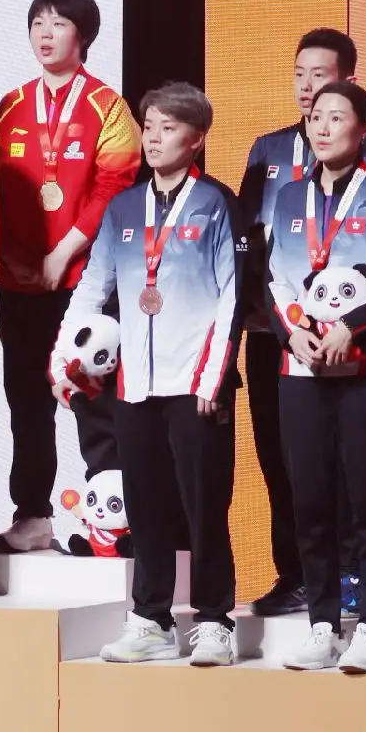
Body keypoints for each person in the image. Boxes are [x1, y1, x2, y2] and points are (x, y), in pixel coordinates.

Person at [77, 83, 243, 667]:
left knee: (204, 506)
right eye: (148, 126)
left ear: (196, 139)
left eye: (168, 128)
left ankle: (215, 621)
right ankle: (150, 619)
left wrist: (213, 379)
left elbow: (231, 298)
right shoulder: (124, 207)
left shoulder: (217, 204)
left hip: (196, 385)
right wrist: (66, 357)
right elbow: (93, 286)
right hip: (136, 384)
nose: (152, 138)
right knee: (145, 505)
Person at [236, 27, 366, 616]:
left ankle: (350, 577)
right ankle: (296, 576)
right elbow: (250, 240)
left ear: (348, 82)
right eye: (300, 74)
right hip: (276, 331)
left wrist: (343, 323)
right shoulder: (268, 149)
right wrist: (278, 320)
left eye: (321, 76)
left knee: (349, 465)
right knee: (284, 460)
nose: (307, 87)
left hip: (348, 337)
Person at [266, 81, 366, 674]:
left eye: (336, 117)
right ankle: (322, 624)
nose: (322, 127)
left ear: (364, 130)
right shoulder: (287, 198)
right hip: (300, 370)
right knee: (310, 500)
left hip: (364, 372)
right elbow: (273, 279)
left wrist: (351, 326)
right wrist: (292, 333)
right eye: (315, 118)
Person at [0, 0, 138, 553]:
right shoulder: (10, 106)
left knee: (92, 398)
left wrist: (62, 253)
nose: (45, 33)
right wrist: (14, 257)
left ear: (85, 36)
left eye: (59, 23)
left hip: (84, 284)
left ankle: (112, 521)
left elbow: (114, 185)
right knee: (26, 401)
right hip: (19, 278)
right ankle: (32, 516)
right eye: (37, 22)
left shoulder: (107, 106)